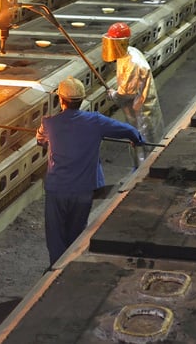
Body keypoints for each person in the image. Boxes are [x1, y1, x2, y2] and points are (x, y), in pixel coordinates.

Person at [36, 76, 145, 269]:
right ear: (82, 100)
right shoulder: (95, 122)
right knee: (77, 233)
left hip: (57, 190)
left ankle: (54, 271)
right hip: (83, 190)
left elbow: (41, 141)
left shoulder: (49, 123)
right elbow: (129, 130)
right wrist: (135, 139)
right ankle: (71, 268)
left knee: (56, 235)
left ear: (60, 100)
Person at [102, 22, 164, 154]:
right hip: (137, 106)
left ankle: (145, 170)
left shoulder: (132, 63)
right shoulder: (127, 53)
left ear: (120, 42)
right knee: (137, 140)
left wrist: (113, 95)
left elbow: (127, 93)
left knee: (144, 142)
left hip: (141, 109)